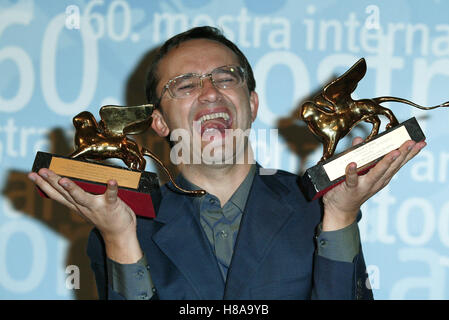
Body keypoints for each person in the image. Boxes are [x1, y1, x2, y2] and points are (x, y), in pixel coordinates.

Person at [28, 26, 426, 300]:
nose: (209, 92)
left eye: (226, 77)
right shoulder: (121, 223)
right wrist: (119, 238)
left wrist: (339, 218)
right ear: (160, 122)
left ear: (252, 104)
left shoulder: (319, 205)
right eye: (185, 85)